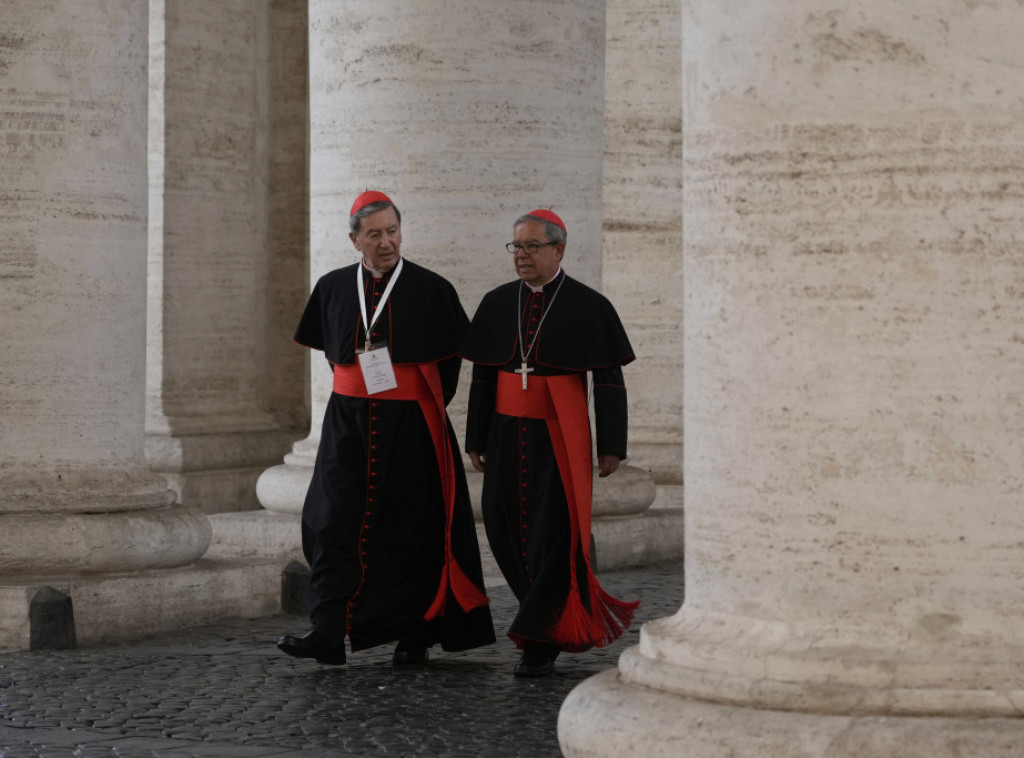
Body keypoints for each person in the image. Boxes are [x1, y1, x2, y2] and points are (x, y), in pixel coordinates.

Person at [278, 190, 494, 666]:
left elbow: (452, 365)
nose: (386, 242)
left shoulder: (431, 289)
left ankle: (414, 634)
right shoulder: (333, 286)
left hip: (412, 425)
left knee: (412, 526)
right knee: (330, 520)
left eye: (392, 231)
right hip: (346, 422)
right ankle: (328, 634)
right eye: (374, 234)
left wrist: (414, 401)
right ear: (355, 240)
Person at [461, 208, 638, 677]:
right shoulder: (497, 303)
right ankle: (540, 618)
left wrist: (612, 445)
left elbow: (609, 381)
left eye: (532, 246)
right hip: (502, 433)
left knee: (552, 536)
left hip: (560, 435)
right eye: (516, 246)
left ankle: (539, 639)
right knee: (501, 527)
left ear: (559, 249)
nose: (521, 255)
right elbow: (482, 375)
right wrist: (474, 436)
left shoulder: (588, 305)